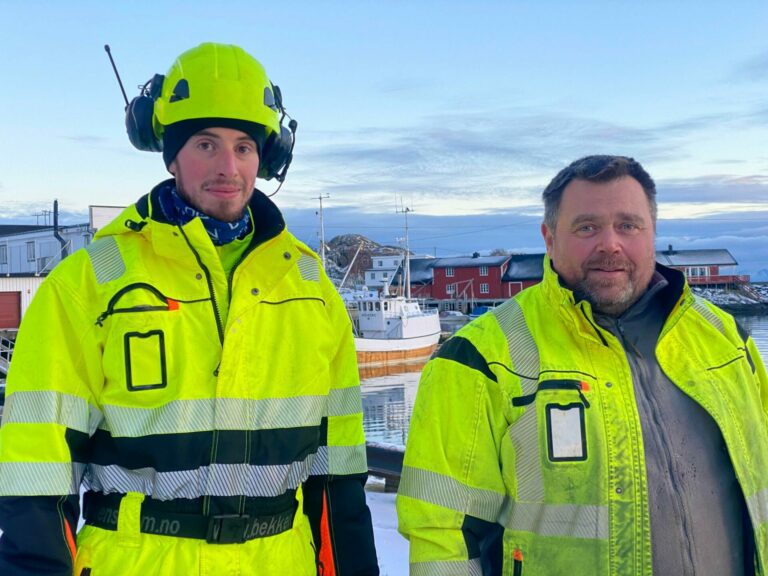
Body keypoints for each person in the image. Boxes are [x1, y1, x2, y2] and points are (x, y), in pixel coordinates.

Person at [0, 42, 379, 576]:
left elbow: (337, 476)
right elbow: (36, 471)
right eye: (206, 143)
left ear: (265, 158)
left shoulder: (312, 289)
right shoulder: (89, 283)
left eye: (245, 147)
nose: (228, 166)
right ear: (172, 154)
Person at [397, 155, 768, 575]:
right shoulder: (479, 358)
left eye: (628, 225)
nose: (610, 244)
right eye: (587, 227)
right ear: (550, 238)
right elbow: (442, 535)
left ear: (652, 234)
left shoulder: (725, 339)